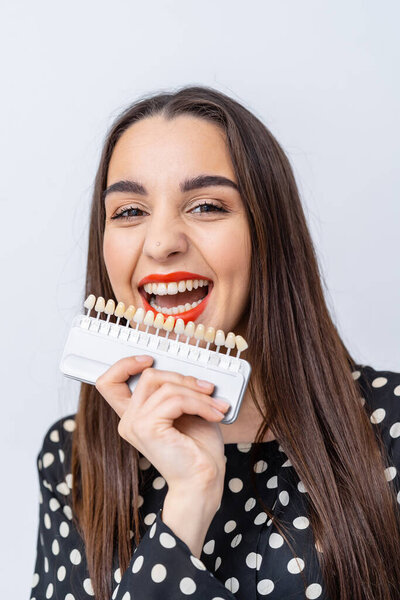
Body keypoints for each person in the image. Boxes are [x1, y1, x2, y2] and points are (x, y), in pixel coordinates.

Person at [30, 85, 400, 600]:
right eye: (130, 212)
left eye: (205, 206)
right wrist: (189, 497)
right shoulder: (69, 457)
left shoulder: (393, 425)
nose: (161, 243)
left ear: (266, 231)